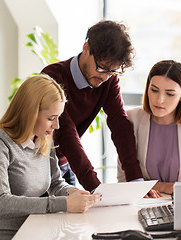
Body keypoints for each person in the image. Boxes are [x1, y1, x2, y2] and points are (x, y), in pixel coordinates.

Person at [0, 74, 101, 240]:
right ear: (30, 113)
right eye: (51, 118)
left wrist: (74, 193)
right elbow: (0, 203)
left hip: (29, 231)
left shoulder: (43, 139)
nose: (57, 126)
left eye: (58, 118)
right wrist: (65, 203)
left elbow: (55, 183)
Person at [41, 20, 143, 192]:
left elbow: (120, 125)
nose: (105, 77)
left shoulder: (109, 81)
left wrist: (136, 181)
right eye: (102, 68)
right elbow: (65, 132)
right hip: (40, 168)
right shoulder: (53, 76)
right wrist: (96, 188)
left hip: (65, 166)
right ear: (86, 48)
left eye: (113, 71)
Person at [117, 60, 181, 197]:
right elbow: (124, 180)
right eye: (154, 90)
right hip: (144, 204)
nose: (159, 100)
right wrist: (164, 186)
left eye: (170, 94)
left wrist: (151, 185)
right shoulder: (132, 119)